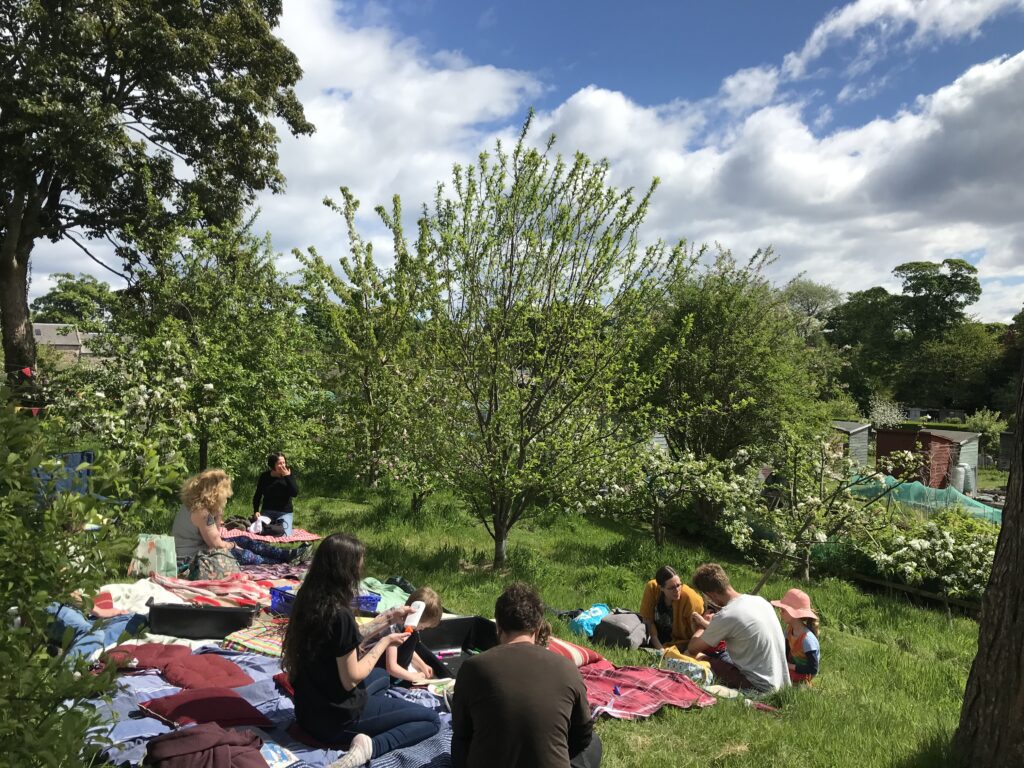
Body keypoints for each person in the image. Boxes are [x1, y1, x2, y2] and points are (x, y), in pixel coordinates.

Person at [282, 533, 440, 768]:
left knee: (383, 676)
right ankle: (368, 748)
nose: (361, 570)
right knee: (431, 720)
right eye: (359, 564)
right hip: (335, 719)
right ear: (345, 570)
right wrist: (385, 643)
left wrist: (388, 618)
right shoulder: (340, 614)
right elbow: (351, 678)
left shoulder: (309, 600)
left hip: (307, 710)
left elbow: (344, 641)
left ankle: (369, 723)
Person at [451, 583, 601, 768]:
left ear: (497, 627)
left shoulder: (472, 667)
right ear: (538, 628)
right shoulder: (567, 668)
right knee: (594, 743)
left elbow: (461, 731)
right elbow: (583, 735)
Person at [172, 469, 305, 571]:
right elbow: (217, 544)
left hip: (199, 551)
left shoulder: (194, 505)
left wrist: (218, 514)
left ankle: (286, 554)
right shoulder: (202, 513)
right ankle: (279, 561)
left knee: (244, 540)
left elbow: (215, 535)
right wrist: (233, 546)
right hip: (191, 560)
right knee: (240, 552)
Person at [686, 563, 789, 693]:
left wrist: (701, 626)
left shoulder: (727, 615)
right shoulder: (760, 601)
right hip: (780, 681)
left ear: (711, 594)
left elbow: (693, 648)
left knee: (694, 656)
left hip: (758, 685)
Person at [378, 587, 446, 684]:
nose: (422, 629)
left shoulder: (408, 624)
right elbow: (391, 667)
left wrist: (422, 665)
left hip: (393, 664)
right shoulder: (394, 628)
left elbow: (408, 648)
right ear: (415, 617)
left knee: (413, 636)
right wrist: (414, 677)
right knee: (413, 636)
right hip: (380, 668)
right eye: (422, 626)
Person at [638, 565, 704, 651]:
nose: (677, 590)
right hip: (656, 634)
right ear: (661, 588)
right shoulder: (652, 588)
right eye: (672, 588)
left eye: (678, 585)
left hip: (681, 640)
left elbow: (696, 632)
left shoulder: (690, 598)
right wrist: (659, 648)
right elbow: (647, 619)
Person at [771, 588, 820, 685]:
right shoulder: (789, 630)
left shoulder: (807, 639)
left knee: (779, 677)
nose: (780, 613)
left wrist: (790, 666)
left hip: (805, 673)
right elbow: (785, 652)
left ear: (793, 614)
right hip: (791, 667)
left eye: (783, 610)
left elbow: (813, 669)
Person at [253, 452, 299, 535]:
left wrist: (287, 477)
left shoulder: (288, 474)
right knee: (257, 531)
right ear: (272, 465)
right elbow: (258, 495)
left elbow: (294, 493)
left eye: (284, 463)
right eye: (279, 463)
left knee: (284, 535)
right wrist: (256, 511)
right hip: (267, 511)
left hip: (284, 512)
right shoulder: (265, 476)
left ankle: (278, 526)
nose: (283, 466)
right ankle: (274, 526)